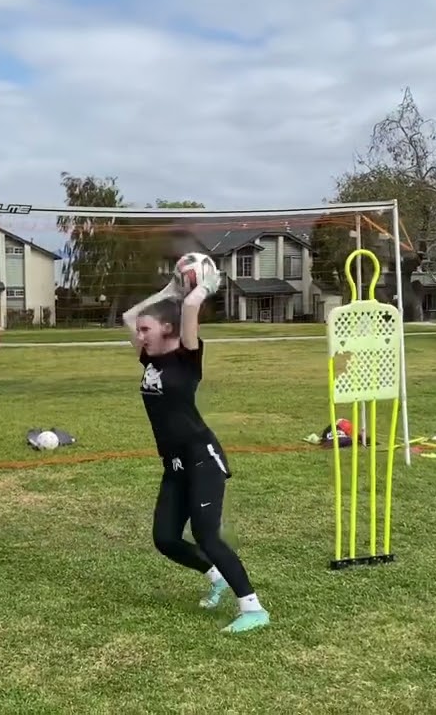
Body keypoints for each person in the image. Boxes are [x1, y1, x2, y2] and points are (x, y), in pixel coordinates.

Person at [121, 264, 270, 634]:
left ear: (166, 329)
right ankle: (216, 576)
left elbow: (189, 311)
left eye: (146, 330)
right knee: (166, 539)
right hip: (173, 464)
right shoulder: (148, 358)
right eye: (139, 332)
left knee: (207, 535)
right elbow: (127, 315)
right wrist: (169, 288)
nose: (138, 336)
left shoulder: (187, 358)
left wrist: (202, 288)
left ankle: (253, 608)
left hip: (202, 457)